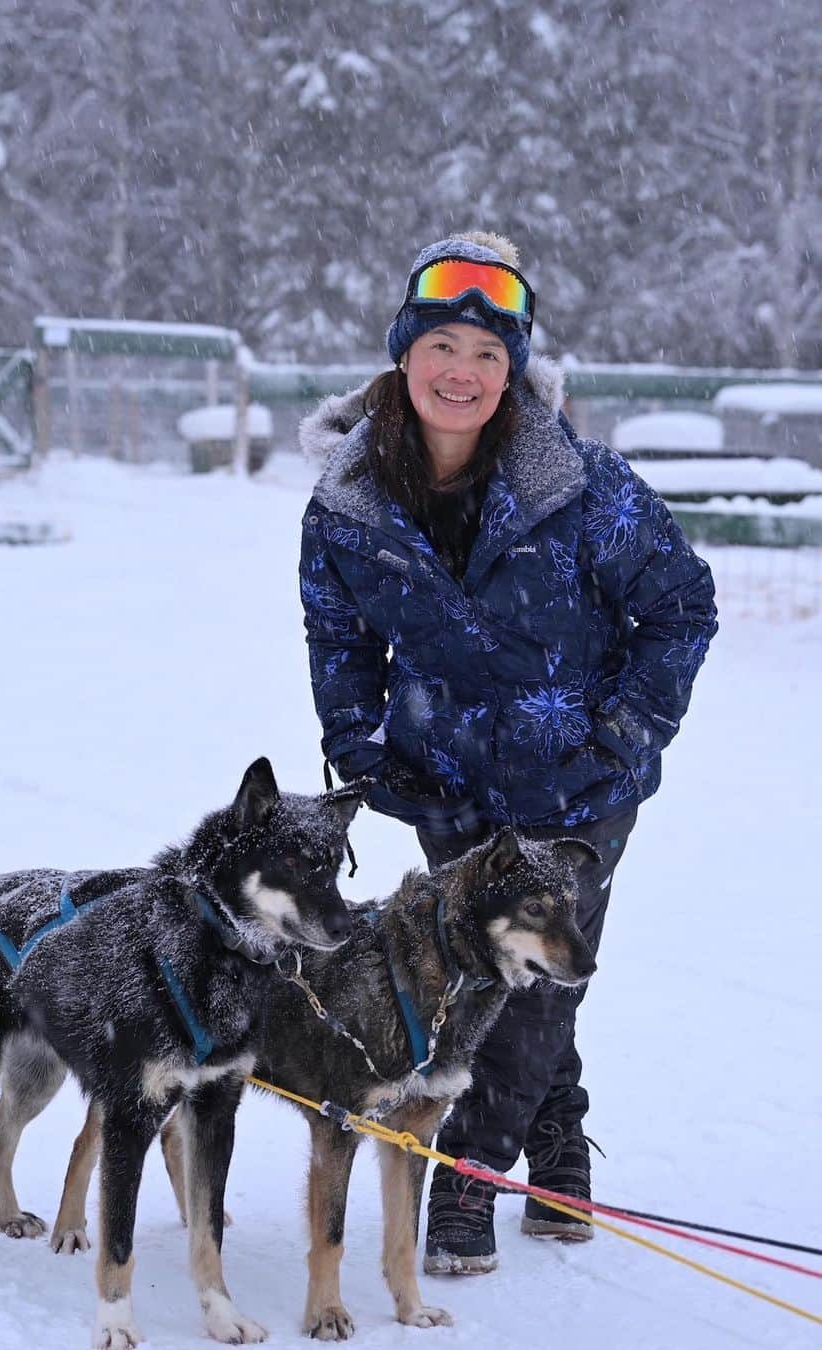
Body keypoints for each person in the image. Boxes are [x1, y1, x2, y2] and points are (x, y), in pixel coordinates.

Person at [298, 231, 717, 1275]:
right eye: (443, 344)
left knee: (532, 977)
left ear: (515, 371)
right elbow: (338, 633)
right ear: (402, 355)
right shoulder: (349, 505)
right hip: (442, 779)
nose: (464, 372)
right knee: (474, 976)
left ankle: (469, 1181)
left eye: (490, 355)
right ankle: (560, 1138)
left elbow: (681, 608)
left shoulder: (584, 486)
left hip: (579, 783)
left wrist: (621, 731)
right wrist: (360, 743)